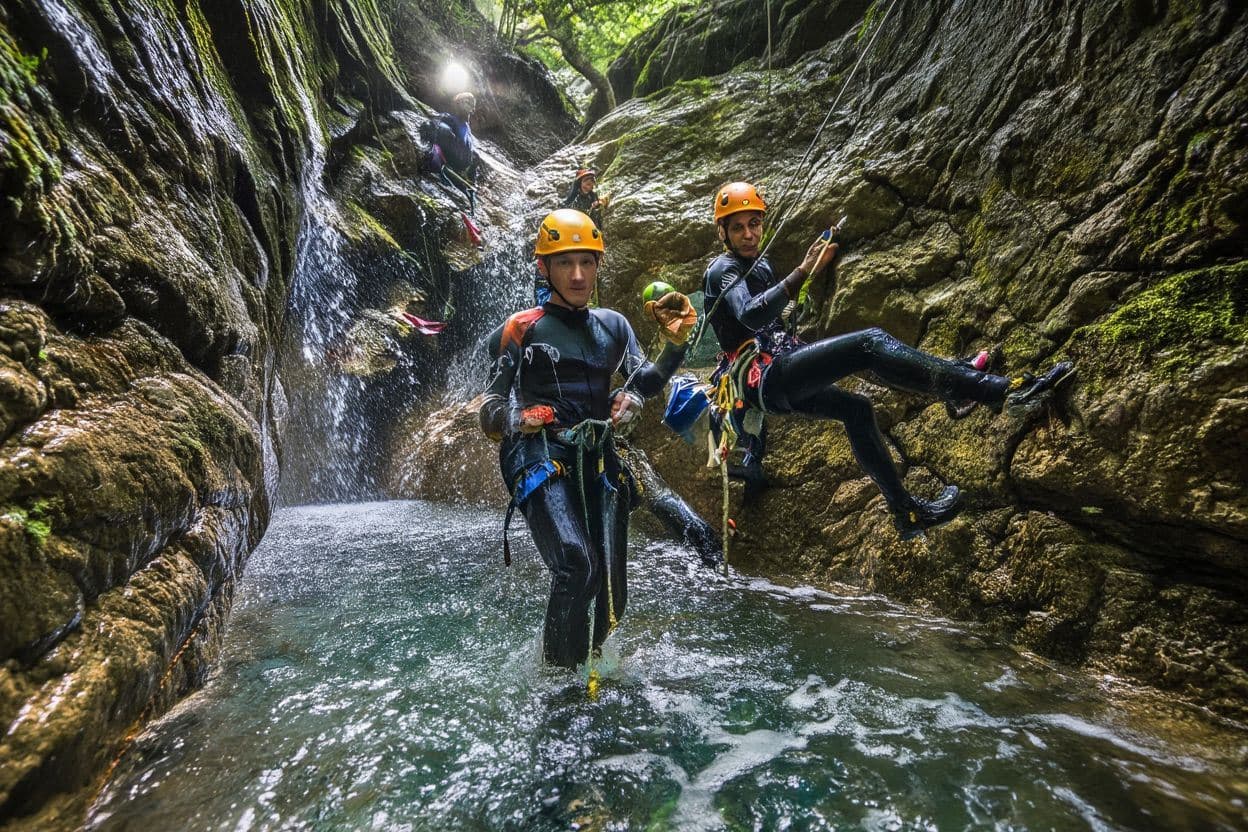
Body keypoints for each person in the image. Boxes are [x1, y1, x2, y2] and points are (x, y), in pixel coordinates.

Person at [702, 182, 1075, 540]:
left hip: (778, 370)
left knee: (858, 409)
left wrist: (810, 268)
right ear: (723, 233)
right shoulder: (723, 269)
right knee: (870, 342)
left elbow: (774, 319)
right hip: (761, 378)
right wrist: (802, 271)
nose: (749, 234)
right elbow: (750, 314)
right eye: (738, 228)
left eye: (754, 224)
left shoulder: (760, 267)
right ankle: (996, 392)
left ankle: (907, 512)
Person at [479, 209, 695, 668]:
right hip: (538, 454)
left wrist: (673, 349)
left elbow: (644, 379)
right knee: (578, 567)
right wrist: (520, 418)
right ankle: (558, 689)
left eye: (587, 263)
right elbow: (490, 410)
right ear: (544, 267)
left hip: (597, 455)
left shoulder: (614, 325)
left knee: (612, 596)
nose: (578, 275)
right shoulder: (520, 328)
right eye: (565, 263)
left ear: (598, 265)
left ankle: (589, 675)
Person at [429, 91, 479, 211]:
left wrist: (472, 180)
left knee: (476, 156)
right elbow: (436, 129)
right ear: (457, 105)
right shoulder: (449, 119)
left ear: (472, 108)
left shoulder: (467, 128)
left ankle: (466, 179)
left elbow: (472, 155)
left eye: (469, 103)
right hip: (449, 161)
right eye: (462, 103)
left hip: (461, 165)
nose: (465, 106)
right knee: (443, 130)